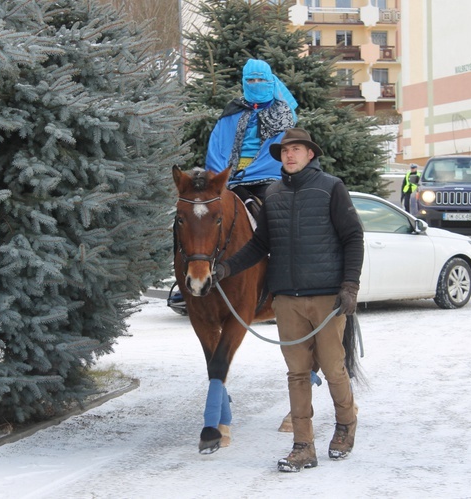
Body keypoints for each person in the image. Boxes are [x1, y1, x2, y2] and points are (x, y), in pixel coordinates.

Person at [214, 128, 364, 472]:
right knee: (296, 374)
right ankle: (303, 446)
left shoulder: (331, 188)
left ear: (310, 154)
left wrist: (350, 286)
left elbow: (353, 237)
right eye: (285, 151)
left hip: (327, 297)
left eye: (296, 150)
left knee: (332, 367)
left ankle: (345, 424)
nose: (289, 155)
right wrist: (226, 269)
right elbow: (258, 245)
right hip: (287, 299)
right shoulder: (275, 193)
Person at [205, 58, 298, 216]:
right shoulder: (233, 110)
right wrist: (222, 176)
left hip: (267, 176)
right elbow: (216, 147)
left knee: (275, 214)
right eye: (250, 80)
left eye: (261, 79)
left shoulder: (282, 114)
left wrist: (246, 174)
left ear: (270, 80)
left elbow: (278, 153)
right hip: (230, 177)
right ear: (243, 81)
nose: (256, 83)